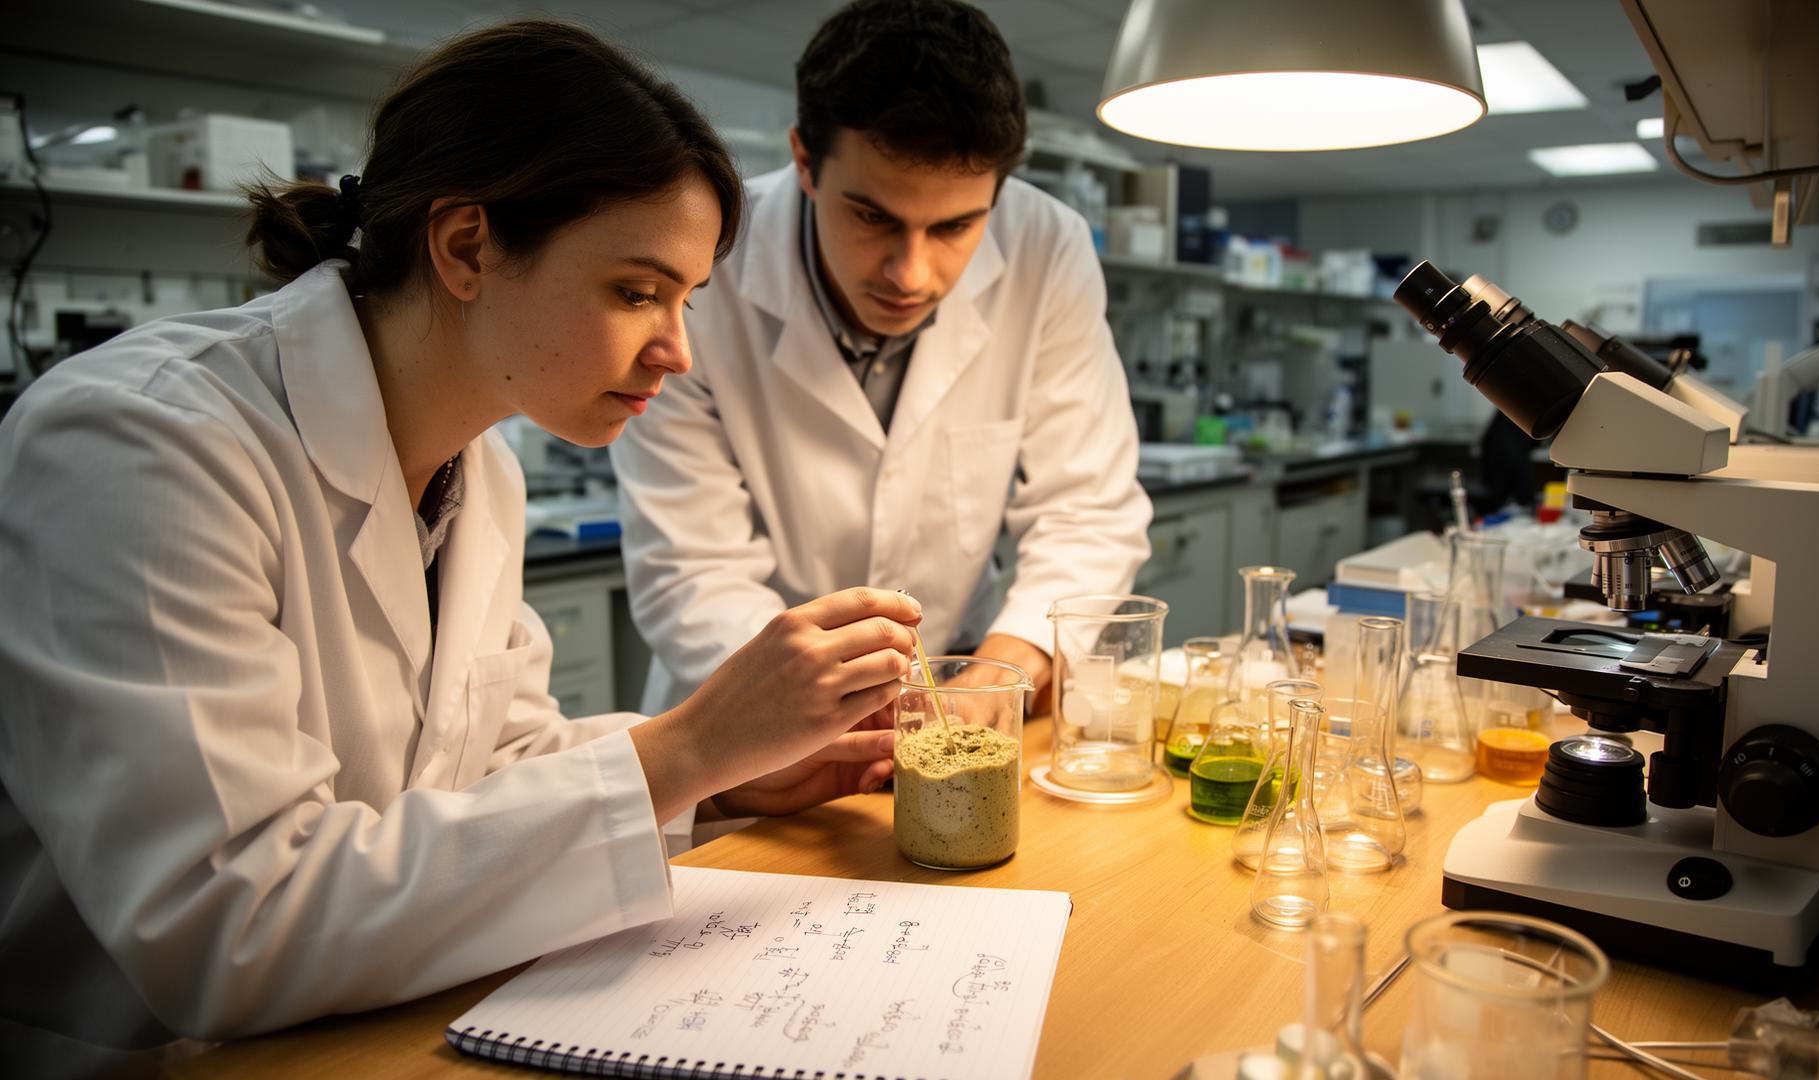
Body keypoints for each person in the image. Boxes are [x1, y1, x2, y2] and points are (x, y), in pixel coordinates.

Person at [0, 22, 921, 1075]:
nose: (677, 349)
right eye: (636, 291)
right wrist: (687, 749)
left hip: (370, 1027)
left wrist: (718, 782)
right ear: (467, 246)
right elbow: (226, 925)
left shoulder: (481, 467)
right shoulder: (145, 445)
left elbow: (492, 762)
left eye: (686, 299)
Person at [613, 0, 1152, 715]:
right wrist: (826, 705)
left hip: (963, 683)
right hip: (749, 709)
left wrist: (1004, 673)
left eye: (957, 225)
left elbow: (1086, 509)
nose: (911, 274)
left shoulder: (1045, 249)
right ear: (805, 160)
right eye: (873, 217)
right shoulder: (706, 265)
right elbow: (691, 566)